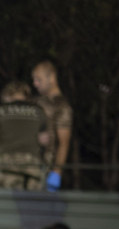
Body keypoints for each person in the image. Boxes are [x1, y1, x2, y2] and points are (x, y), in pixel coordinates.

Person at [0, 81, 50, 190]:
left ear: (7, 95)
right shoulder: (39, 111)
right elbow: (44, 140)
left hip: (5, 165)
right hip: (32, 165)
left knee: (3, 203)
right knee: (31, 204)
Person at [32, 61, 73, 191]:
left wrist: (57, 172)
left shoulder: (62, 106)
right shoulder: (36, 101)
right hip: (29, 165)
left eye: (39, 79)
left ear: (52, 78)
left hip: (46, 168)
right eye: (34, 79)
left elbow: (64, 143)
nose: (35, 83)